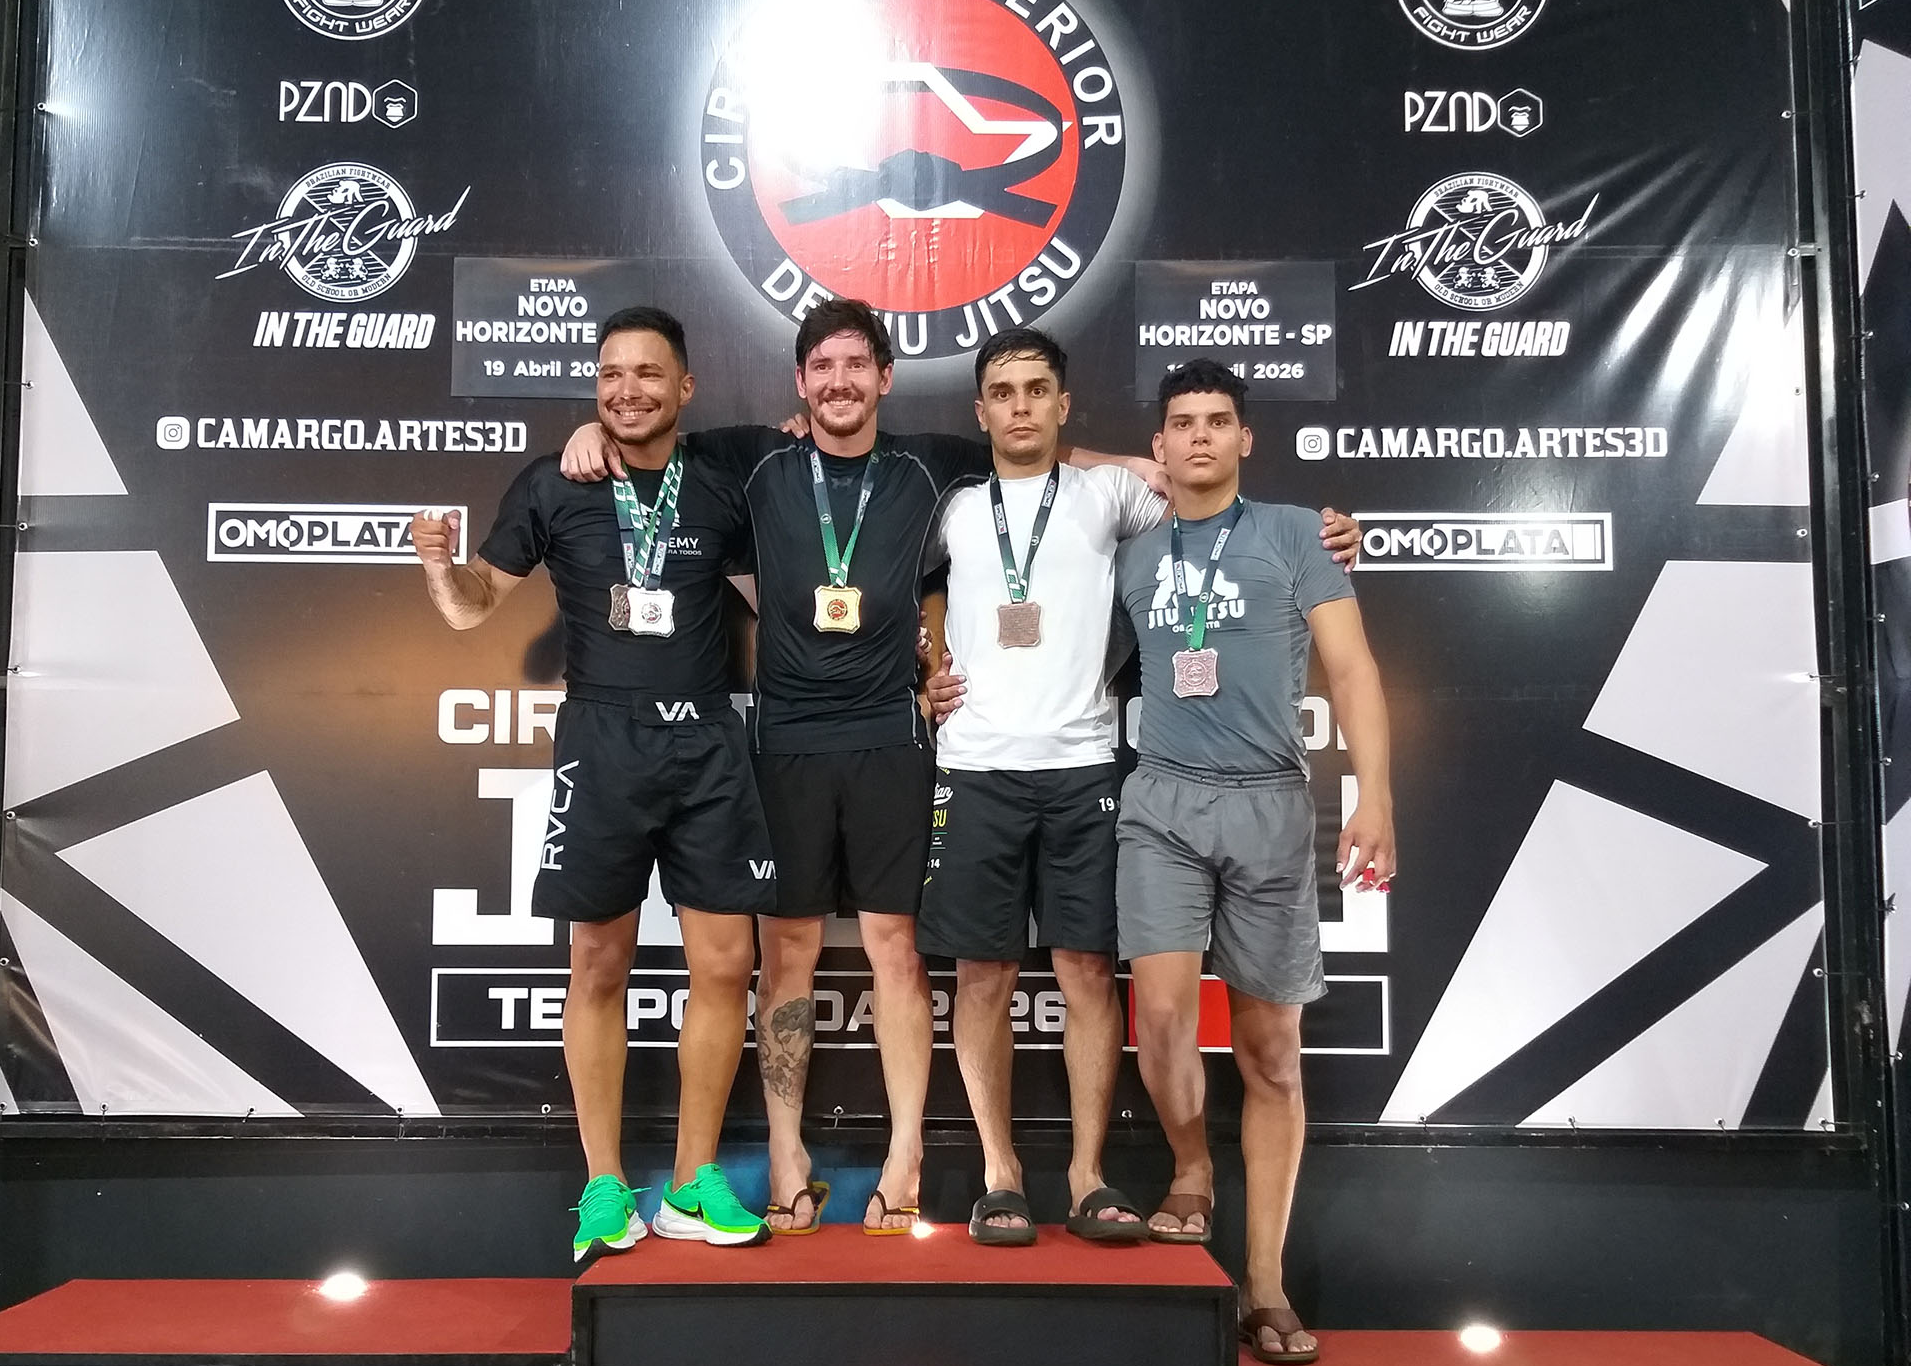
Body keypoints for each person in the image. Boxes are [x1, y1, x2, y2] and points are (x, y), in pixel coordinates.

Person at [921, 330, 1357, 1245]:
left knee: (1088, 972)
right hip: (975, 765)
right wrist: (929, 666)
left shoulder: (1113, 494)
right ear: (980, 409)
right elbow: (917, 589)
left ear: (1064, 403)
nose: (1020, 406)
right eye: (1002, 392)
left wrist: (1331, 535)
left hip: (1086, 764)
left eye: (1038, 390)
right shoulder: (953, 506)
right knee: (981, 976)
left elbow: (1207, 504)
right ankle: (1001, 1174)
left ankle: (1088, 1175)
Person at [562, 300, 989, 1233]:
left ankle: (905, 1153)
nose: (839, 382)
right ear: (799, 381)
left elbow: (1039, 453)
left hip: (891, 739)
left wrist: (1139, 467)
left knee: (897, 951)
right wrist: (590, 432)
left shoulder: (929, 462)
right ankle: (788, 1153)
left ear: (885, 376)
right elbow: (646, 433)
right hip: (784, 741)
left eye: (856, 364)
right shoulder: (753, 458)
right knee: (783, 953)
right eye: (821, 367)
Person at [412, 306, 774, 1262]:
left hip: (708, 739)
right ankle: (605, 1187)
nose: (627, 391)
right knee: (596, 965)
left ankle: (693, 1182)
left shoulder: (722, 484)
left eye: (649, 374)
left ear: (685, 387)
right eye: (611, 374)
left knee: (726, 966)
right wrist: (439, 567)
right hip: (602, 742)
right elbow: (472, 607)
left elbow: (776, 602)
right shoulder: (555, 481)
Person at [1115, 359, 1393, 1361]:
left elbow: (1352, 668)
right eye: (1181, 422)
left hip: (1271, 805)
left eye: (1217, 420)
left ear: (1244, 438)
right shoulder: (1131, 550)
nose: (1199, 435)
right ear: (1158, 445)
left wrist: (1374, 794)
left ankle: (1265, 1283)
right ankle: (1191, 1167)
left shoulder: (1296, 533)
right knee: (1159, 1017)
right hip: (1160, 801)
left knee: (1271, 1051)